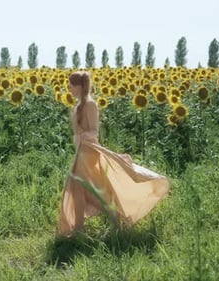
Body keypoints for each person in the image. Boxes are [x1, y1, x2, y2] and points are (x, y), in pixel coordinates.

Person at [58, 70, 170, 237]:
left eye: (71, 85)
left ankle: (107, 219)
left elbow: (94, 132)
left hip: (89, 152)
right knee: (83, 189)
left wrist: (81, 137)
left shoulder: (90, 105)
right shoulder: (78, 106)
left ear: (79, 86)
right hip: (81, 152)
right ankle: (92, 225)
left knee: (82, 187)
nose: (69, 88)